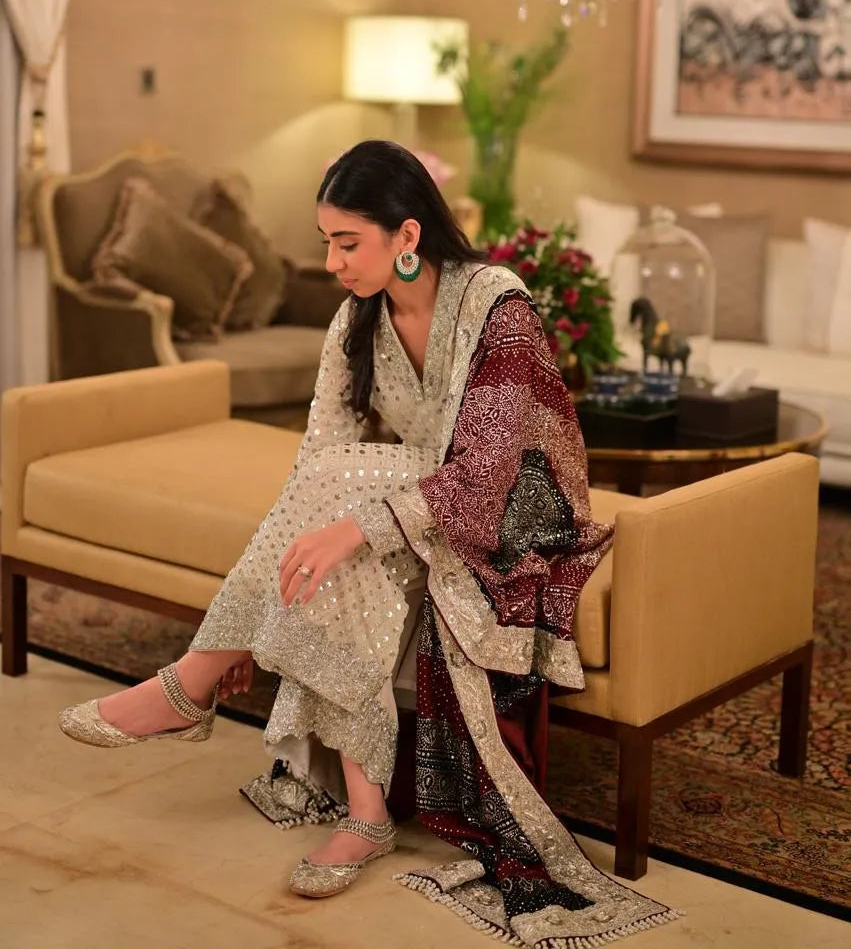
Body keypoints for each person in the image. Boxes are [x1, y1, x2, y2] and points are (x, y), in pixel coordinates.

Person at [59, 141, 678, 945]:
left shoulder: (499, 308)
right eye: (327, 241)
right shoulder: (357, 313)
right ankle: (360, 809)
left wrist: (354, 524)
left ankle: (191, 687)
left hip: (517, 514)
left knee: (348, 510)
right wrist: (275, 593)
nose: (332, 261)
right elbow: (317, 454)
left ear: (407, 235)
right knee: (335, 502)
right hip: (428, 501)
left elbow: (490, 468)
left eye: (347, 242)